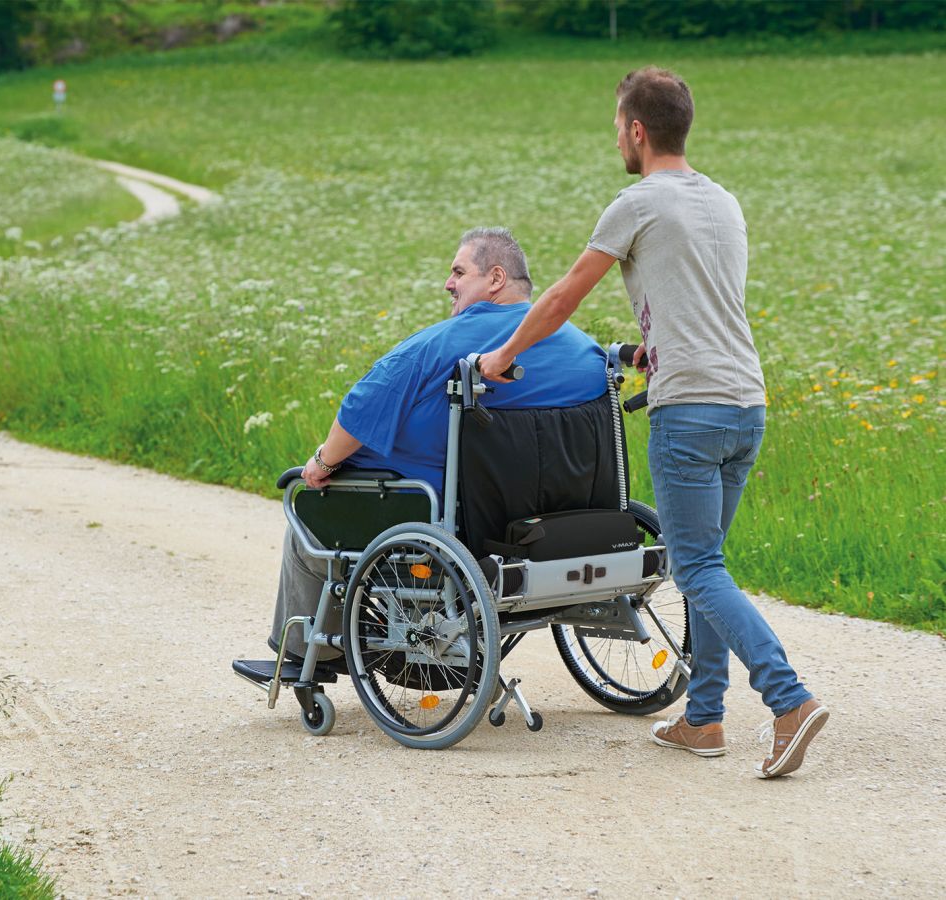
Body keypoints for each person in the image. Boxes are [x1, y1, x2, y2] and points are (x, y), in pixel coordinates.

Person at [478, 68, 827, 779]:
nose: (617, 138)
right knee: (710, 568)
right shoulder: (723, 201)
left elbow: (564, 295)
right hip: (745, 403)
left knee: (696, 567)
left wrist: (502, 355)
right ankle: (703, 718)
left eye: (617, 127)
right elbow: (695, 299)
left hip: (690, 410)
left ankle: (788, 701)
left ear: (637, 130)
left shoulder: (637, 202)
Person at [264, 227, 608, 669]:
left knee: (308, 516)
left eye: (458, 272)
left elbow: (357, 414)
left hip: (450, 520)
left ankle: (303, 657)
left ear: (496, 279)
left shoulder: (436, 346)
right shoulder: (584, 350)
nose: (448, 283)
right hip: (557, 519)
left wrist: (319, 463)